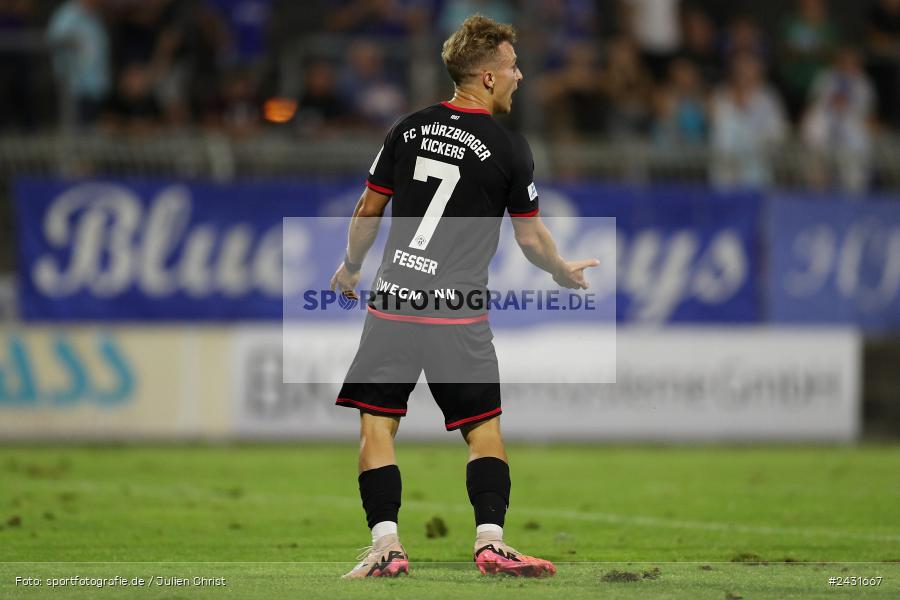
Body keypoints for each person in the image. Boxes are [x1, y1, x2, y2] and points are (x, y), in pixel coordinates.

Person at [329, 14, 598, 579]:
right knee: (483, 429)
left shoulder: (407, 129)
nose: (520, 76)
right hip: (458, 312)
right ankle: (491, 543)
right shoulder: (509, 148)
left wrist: (351, 267)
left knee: (377, 425)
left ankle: (386, 547)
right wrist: (560, 270)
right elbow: (530, 239)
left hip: (395, 301)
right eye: (513, 67)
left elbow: (367, 210)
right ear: (488, 78)